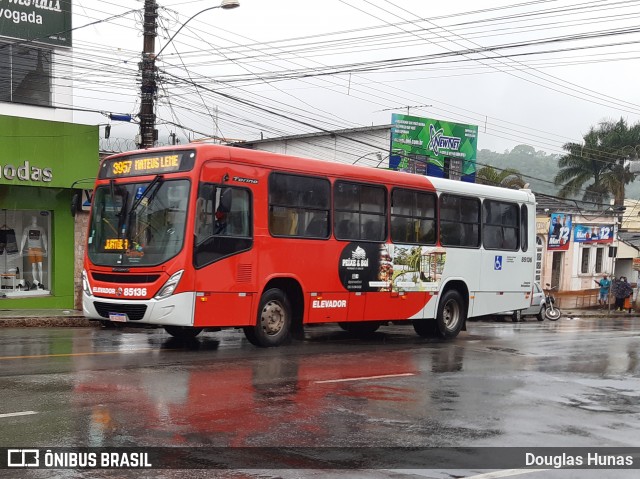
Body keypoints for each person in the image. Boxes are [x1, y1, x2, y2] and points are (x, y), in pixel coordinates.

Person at [20, 216, 48, 290]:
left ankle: (41, 283)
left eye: (36, 218)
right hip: (31, 249)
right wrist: (21, 249)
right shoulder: (27, 228)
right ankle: (35, 282)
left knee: (40, 265)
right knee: (33, 266)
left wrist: (46, 249)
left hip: (38, 249)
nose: (34, 219)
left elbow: (44, 239)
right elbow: (23, 239)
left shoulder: (41, 229)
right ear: (31, 220)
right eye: (33, 218)